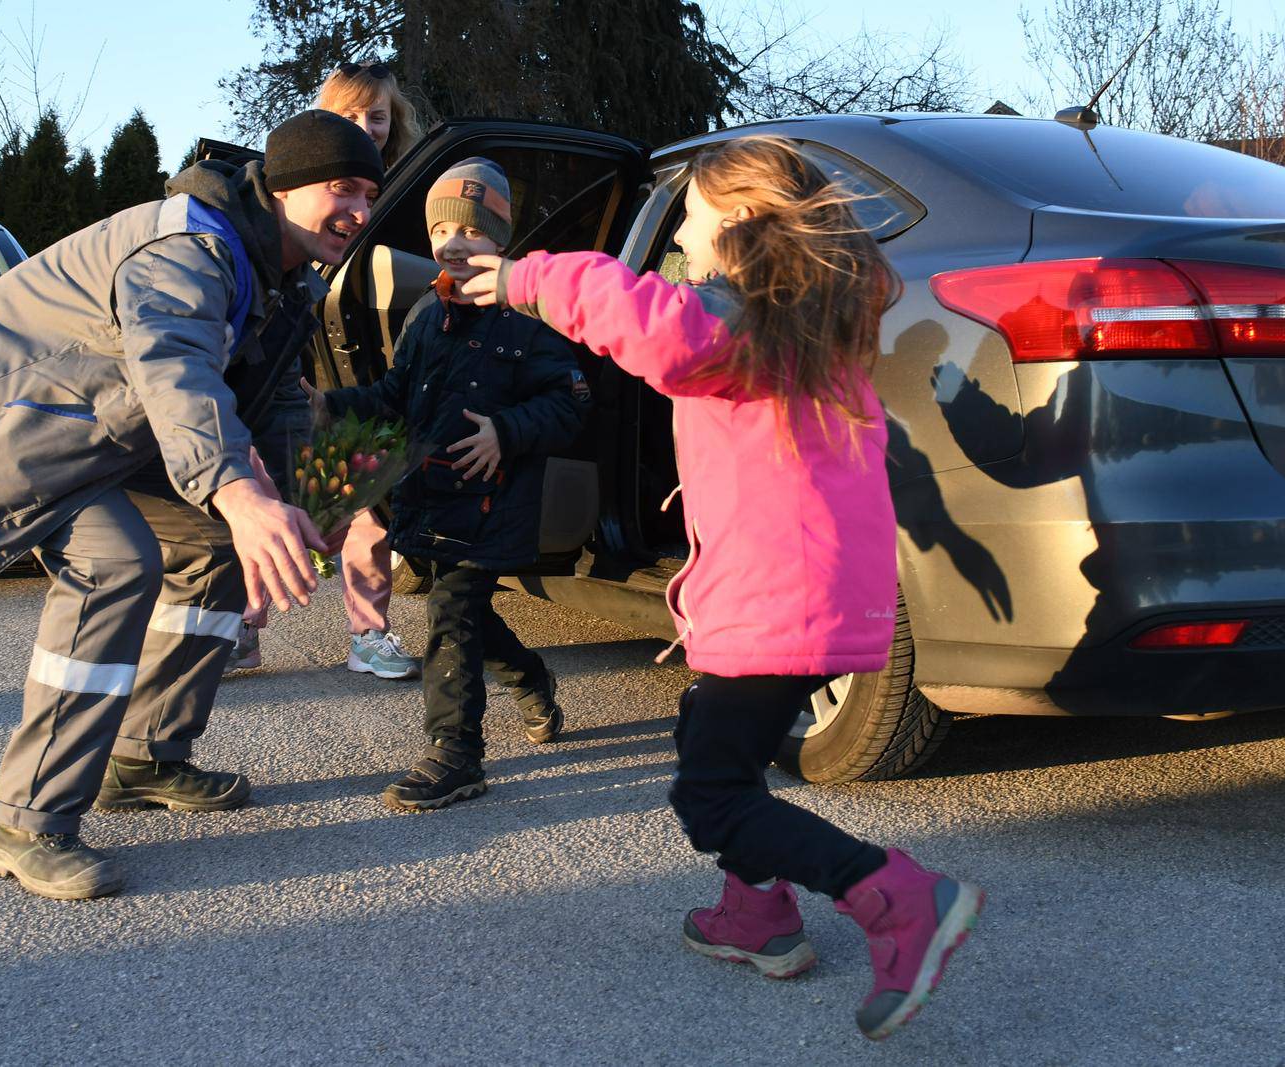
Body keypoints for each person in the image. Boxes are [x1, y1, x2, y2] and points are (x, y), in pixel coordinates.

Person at [462, 136, 983, 1041]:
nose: (682, 243)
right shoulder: (806, 324)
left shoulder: (732, 318)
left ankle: (896, 897)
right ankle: (757, 917)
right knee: (710, 734)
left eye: (691, 221)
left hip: (776, 597)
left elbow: (654, 328)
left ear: (737, 223)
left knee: (710, 794)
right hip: (813, 593)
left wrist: (524, 279)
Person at [0, 111, 385, 900]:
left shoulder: (282, 272)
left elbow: (272, 404)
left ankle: (144, 756)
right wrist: (238, 489)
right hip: (9, 427)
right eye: (343, 189)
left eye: (370, 193)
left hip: (107, 431)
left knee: (219, 543)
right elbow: (177, 373)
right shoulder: (189, 248)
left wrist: (295, 497)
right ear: (282, 185)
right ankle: (26, 822)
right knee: (114, 563)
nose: (362, 212)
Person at [312, 158, 584, 811]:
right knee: (467, 616)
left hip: (495, 503)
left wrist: (506, 431)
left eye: (471, 230)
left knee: (452, 614)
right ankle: (532, 678)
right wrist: (329, 406)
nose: (454, 242)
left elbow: (571, 402)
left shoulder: (528, 316)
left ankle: (455, 752)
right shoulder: (425, 318)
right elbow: (394, 396)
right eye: (441, 229)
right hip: (432, 500)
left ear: (499, 238)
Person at [228, 59, 425, 679]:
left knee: (365, 511)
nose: (365, 126)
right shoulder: (304, 190)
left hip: (365, 378)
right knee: (264, 500)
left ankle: (370, 635)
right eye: (350, 114)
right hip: (297, 377)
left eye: (377, 117)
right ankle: (240, 630)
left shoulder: (403, 197)